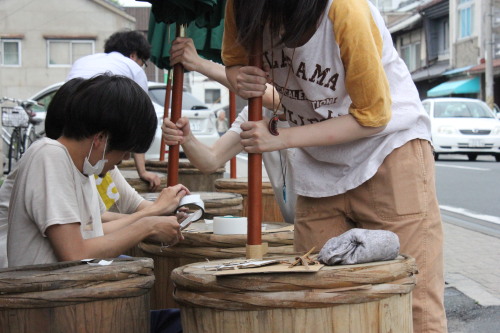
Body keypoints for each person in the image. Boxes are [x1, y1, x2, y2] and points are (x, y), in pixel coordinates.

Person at [221, 1, 446, 332]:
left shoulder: (344, 9)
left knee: (412, 299)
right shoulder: (241, 6)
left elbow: (374, 117)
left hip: (387, 151)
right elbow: (233, 63)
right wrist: (240, 79)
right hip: (318, 165)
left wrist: (281, 139)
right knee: (314, 298)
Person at [6, 75, 188, 268]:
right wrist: (147, 226)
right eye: (124, 151)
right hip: (41, 293)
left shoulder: (82, 170)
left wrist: (152, 220)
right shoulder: (49, 156)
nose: (124, 159)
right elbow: (74, 253)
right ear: (100, 138)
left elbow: (95, 233)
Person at [163, 37, 296, 224]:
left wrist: (199, 63)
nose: (264, 69)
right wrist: (187, 138)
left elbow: (279, 98)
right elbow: (210, 161)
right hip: (294, 225)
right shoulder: (255, 111)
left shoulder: (305, 100)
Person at [66, 29, 161, 191]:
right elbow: (138, 121)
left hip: (69, 127)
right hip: (97, 124)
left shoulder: (84, 60)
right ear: (133, 55)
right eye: (143, 62)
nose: (125, 157)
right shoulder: (133, 68)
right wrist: (142, 171)